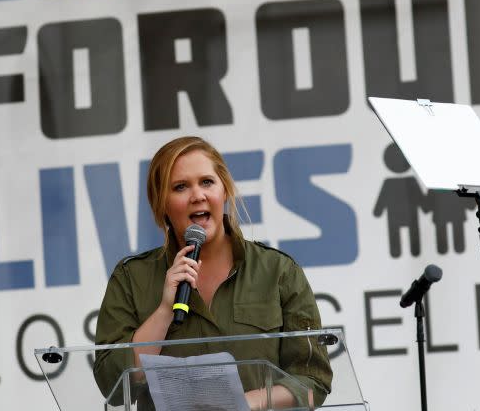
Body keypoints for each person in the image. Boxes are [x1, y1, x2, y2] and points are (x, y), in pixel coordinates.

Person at [93, 136, 332, 409]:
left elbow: (313, 381)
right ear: (162, 205)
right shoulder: (131, 278)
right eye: (180, 187)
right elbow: (111, 385)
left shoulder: (278, 272)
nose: (197, 196)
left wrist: (246, 403)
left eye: (207, 182)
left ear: (225, 191)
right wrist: (164, 312)